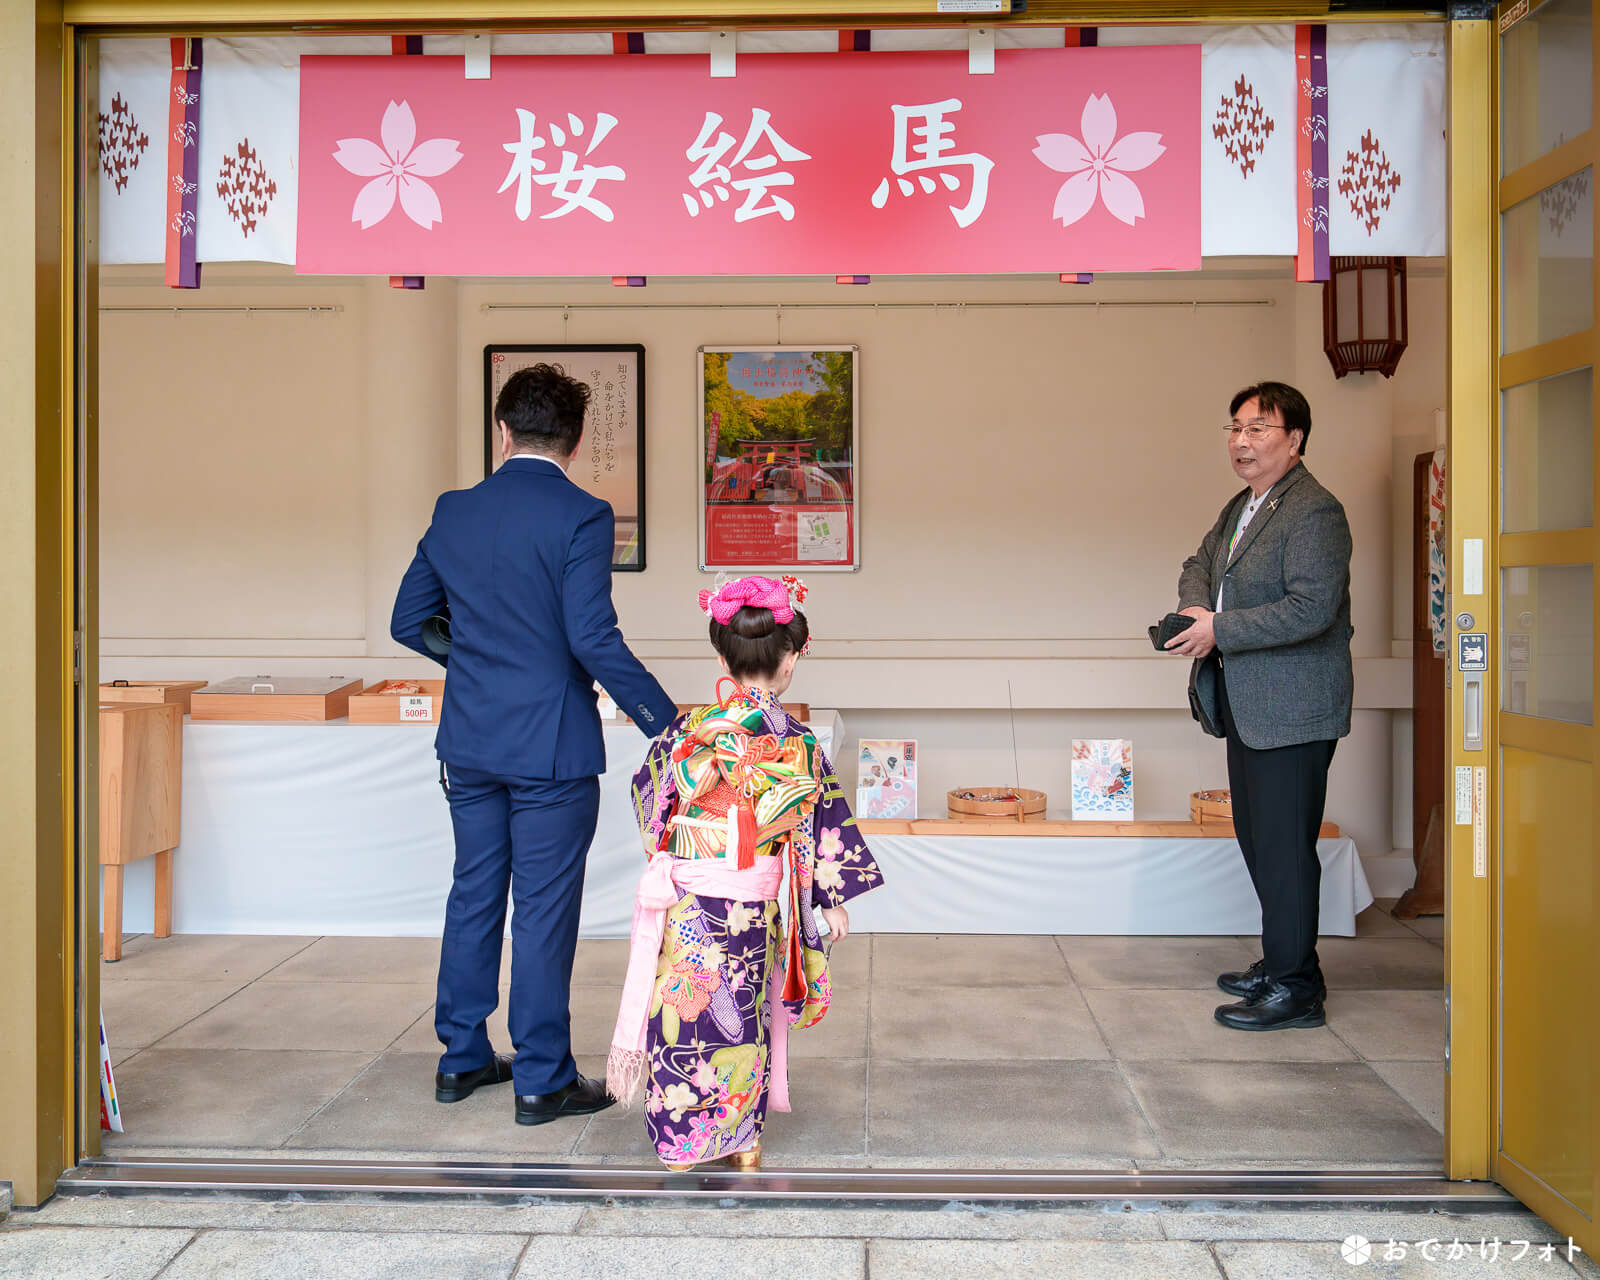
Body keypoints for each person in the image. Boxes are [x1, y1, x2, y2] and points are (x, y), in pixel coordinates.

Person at [390, 363, 678, 1124]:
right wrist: (667, 722)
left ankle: (461, 1060)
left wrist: (481, 660)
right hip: (550, 743)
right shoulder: (583, 515)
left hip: (471, 742)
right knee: (544, 911)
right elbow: (591, 636)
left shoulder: (454, 510)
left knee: (474, 893)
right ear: (576, 442)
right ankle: (542, 1078)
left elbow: (407, 619)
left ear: (502, 429)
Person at [607, 575, 883, 1170]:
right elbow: (820, 823)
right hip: (753, 907)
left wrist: (681, 850)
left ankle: (682, 1140)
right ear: (790, 660)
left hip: (689, 904)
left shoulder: (688, 732)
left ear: (721, 656)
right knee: (743, 1014)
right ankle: (742, 1141)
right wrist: (829, 900)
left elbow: (649, 803)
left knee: (681, 1013)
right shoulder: (799, 743)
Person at [1166, 381, 1353, 1032]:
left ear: (1294, 441)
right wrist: (1197, 610)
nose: (1241, 442)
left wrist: (1221, 628)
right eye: (1235, 428)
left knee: (1284, 848)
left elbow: (1312, 608)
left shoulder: (1313, 511)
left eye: (1258, 429)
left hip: (1293, 708)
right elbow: (1200, 563)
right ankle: (1284, 963)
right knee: (1259, 840)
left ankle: (1296, 990)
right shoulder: (1245, 504)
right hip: (1250, 704)